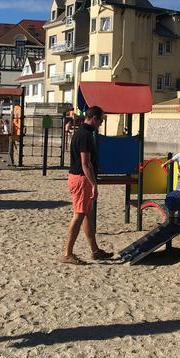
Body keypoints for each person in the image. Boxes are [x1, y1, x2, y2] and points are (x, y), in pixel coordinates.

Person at [61, 106, 113, 265]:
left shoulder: (81, 132)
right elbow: (86, 163)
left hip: (78, 178)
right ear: (95, 118)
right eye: (101, 120)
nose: (101, 124)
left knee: (87, 215)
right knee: (78, 215)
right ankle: (67, 254)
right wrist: (94, 184)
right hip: (82, 179)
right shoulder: (85, 135)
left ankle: (95, 251)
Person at [163, 139, 180, 217]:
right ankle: (178, 204)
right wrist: (165, 163)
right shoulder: (178, 155)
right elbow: (171, 160)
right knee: (177, 191)